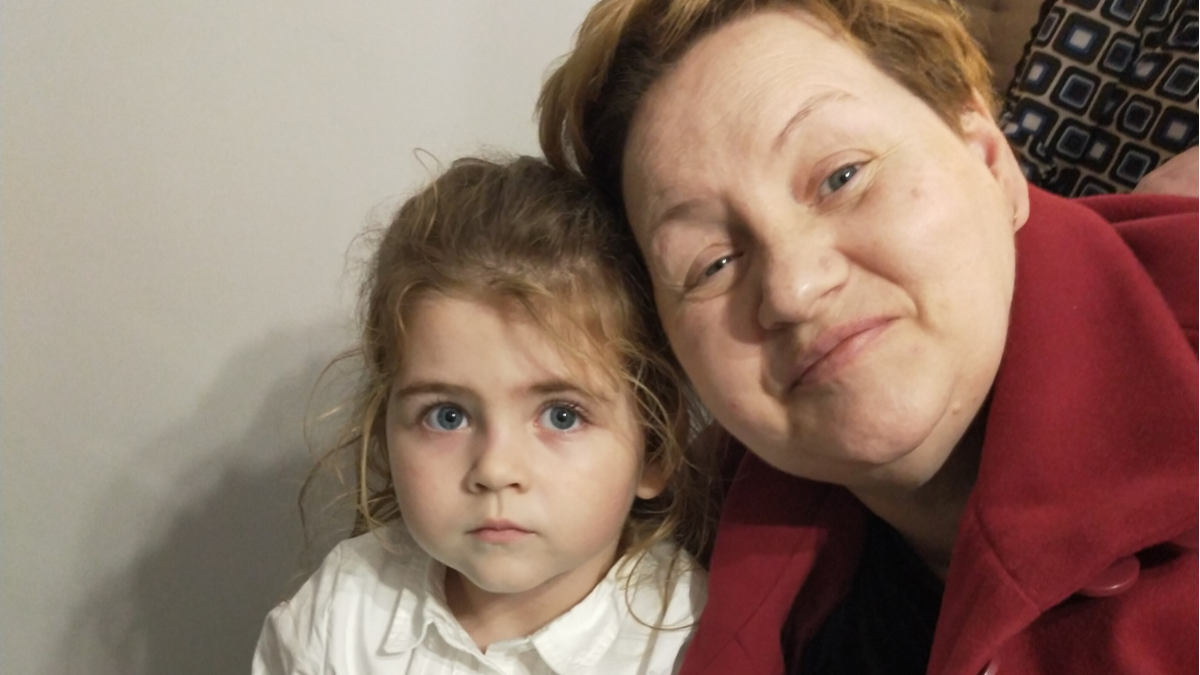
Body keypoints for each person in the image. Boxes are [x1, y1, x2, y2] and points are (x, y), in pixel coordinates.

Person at [537, 1, 1198, 673]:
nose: (793, 288)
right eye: (713, 263)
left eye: (842, 177)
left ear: (991, 161)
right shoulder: (683, 555)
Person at [251, 156, 712, 674]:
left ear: (655, 447)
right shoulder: (340, 613)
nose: (495, 470)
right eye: (447, 416)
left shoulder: (690, 639)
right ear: (383, 438)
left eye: (562, 416)